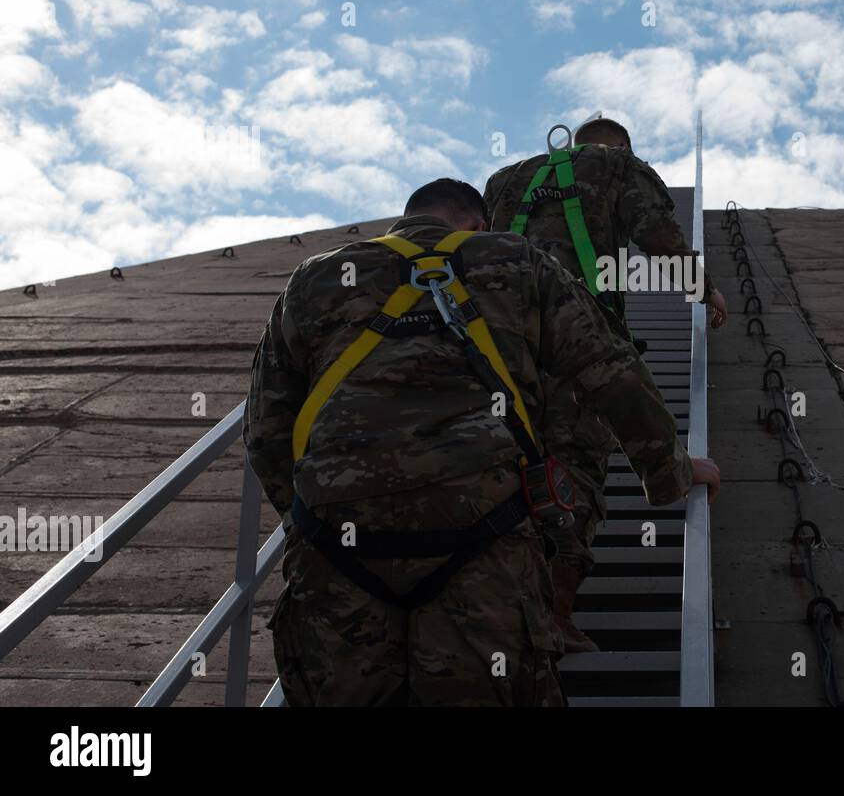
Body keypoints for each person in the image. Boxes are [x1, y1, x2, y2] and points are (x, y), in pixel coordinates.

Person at [244, 178, 720, 705]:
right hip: (483, 535)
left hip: (336, 544)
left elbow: (266, 425)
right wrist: (670, 471)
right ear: (477, 224)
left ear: (404, 221)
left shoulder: (316, 277)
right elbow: (609, 369)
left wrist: (303, 517)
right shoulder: (515, 260)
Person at [483, 116, 727, 652]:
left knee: (502, 466)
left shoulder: (506, 179)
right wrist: (704, 289)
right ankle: (553, 619)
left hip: (496, 351)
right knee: (572, 471)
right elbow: (658, 237)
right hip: (576, 342)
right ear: (624, 147)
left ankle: (491, 609)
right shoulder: (620, 167)